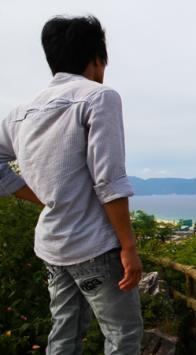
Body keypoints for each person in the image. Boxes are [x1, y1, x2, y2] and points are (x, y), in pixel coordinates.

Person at [0, 15, 143, 354]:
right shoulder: (99, 97)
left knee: (64, 334)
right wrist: (129, 247)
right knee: (123, 336)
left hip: (52, 246)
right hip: (94, 244)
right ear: (97, 59)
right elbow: (108, 179)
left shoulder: (21, 113)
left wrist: (46, 199)